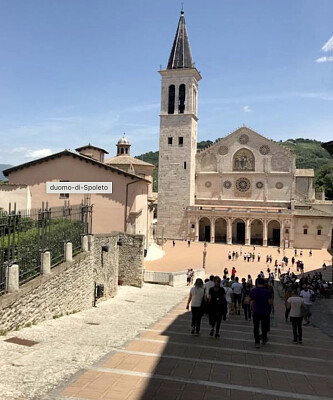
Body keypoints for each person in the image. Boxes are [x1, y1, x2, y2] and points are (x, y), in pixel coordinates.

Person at [250, 277, 273, 348]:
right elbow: (270, 302)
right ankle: (264, 338)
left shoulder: (253, 291)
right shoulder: (267, 292)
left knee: (256, 327)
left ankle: (257, 341)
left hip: (256, 311)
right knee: (264, 326)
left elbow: (249, 301)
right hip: (265, 311)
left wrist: (252, 306)